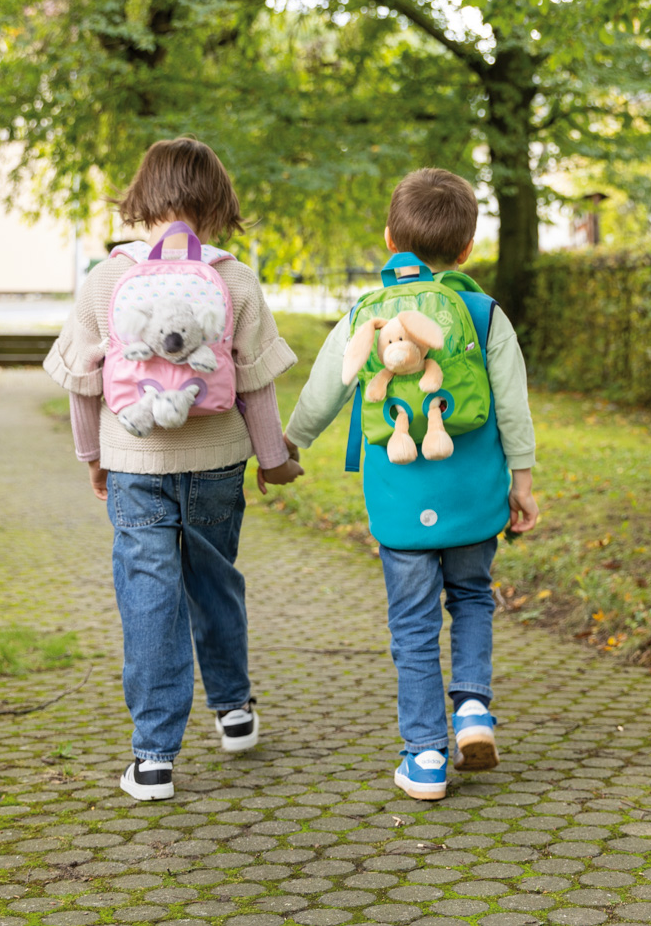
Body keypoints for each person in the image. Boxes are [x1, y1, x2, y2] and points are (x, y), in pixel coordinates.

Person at [44, 138, 303, 802]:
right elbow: (257, 386)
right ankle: (234, 711)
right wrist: (274, 460)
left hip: (135, 464)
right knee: (215, 580)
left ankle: (154, 758)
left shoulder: (106, 279)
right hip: (216, 461)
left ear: (142, 198)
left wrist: (92, 457)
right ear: (218, 205)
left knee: (150, 597)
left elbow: (81, 383)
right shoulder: (235, 279)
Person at [284, 168, 539, 800]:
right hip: (473, 494)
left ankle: (424, 757)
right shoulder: (484, 314)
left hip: (400, 500)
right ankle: (473, 708)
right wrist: (523, 481)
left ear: (389, 238)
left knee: (413, 624)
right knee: (472, 597)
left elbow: (325, 388)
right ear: (467, 249)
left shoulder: (369, 314)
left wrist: (287, 445)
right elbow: (513, 406)